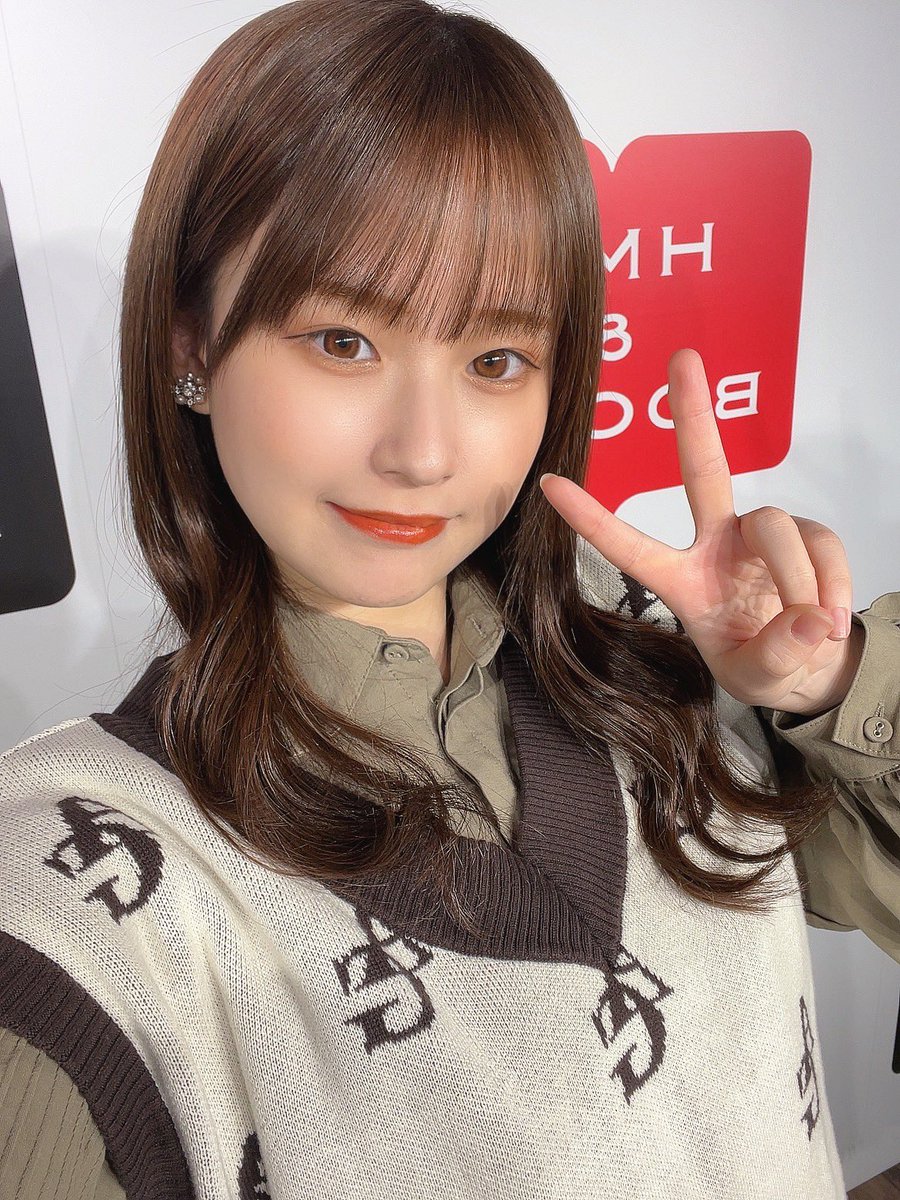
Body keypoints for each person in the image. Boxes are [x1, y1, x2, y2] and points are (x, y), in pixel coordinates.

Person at [0, 0, 897, 1196]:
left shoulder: (651, 654)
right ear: (190, 346)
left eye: (493, 361)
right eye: (343, 341)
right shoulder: (84, 872)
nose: (424, 454)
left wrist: (823, 689)